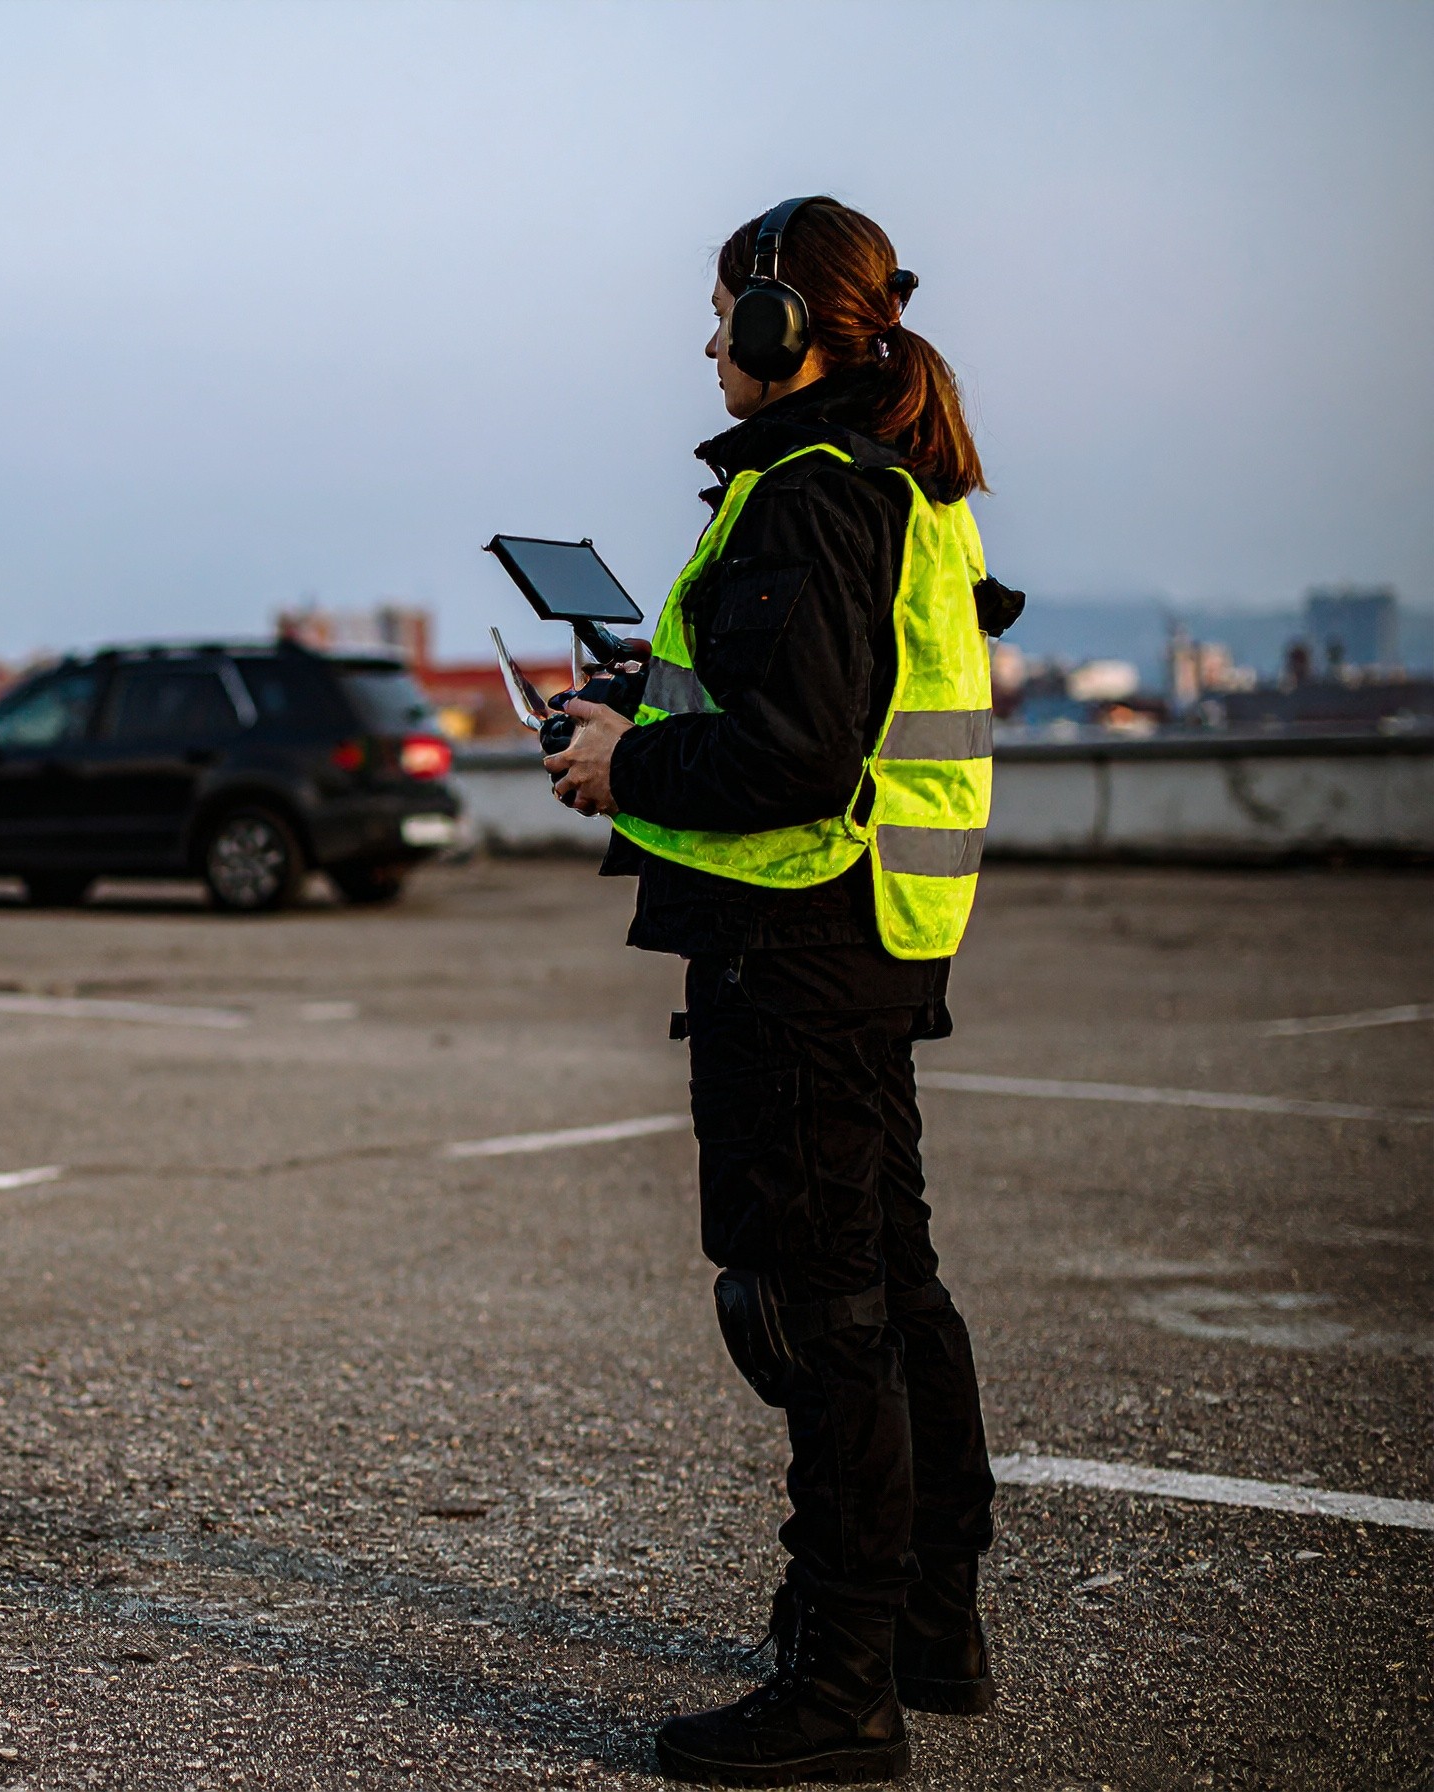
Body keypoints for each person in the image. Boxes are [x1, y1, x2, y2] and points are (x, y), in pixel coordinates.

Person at [543, 197, 1015, 1786]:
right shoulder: (899, 486)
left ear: (779, 322)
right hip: (870, 938)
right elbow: (806, 705)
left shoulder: (813, 492)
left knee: (817, 1314)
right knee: (892, 1283)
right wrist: (640, 713)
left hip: (799, 943)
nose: (703, 344)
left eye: (721, 314)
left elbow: (792, 754)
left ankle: (841, 1687)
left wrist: (622, 761)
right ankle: (930, 1629)